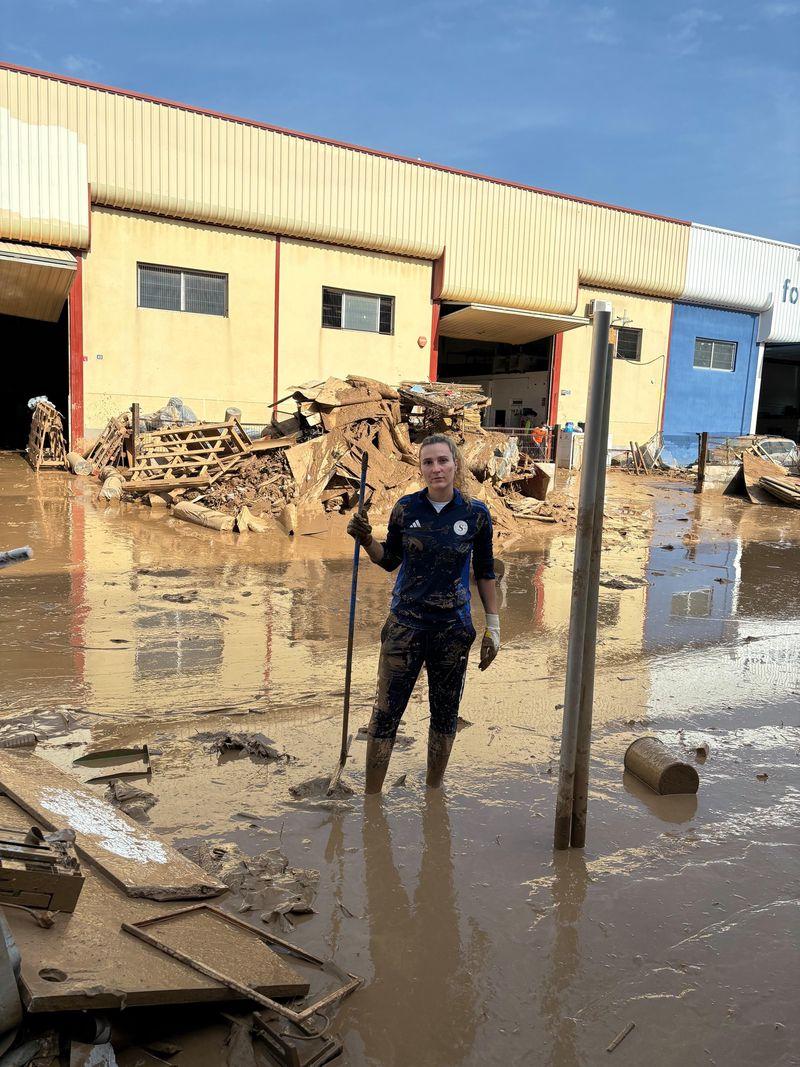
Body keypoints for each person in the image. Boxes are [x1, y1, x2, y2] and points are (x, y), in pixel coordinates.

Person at [347, 433, 500, 793]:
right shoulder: (405, 509)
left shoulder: (475, 514)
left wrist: (493, 626)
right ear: (421, 468)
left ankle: (434, 792)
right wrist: (367, 540)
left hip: (452, 630)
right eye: (428, 462)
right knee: (385, 714)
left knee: (445, 716)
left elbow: (485, 572)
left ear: (455, 463)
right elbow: (390, 561)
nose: (436, 468)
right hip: (405, 626)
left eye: (442, 461)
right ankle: (372, 797)